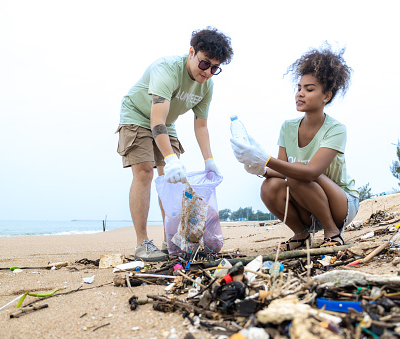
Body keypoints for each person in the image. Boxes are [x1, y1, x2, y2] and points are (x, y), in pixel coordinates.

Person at [116, 27, 233, 261]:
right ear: (191, 52)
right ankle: (142, 244)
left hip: (166, 123)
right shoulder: (166, 69)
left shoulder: (207, 85)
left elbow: (200, 126)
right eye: (204, 63)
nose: (208, 72)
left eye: (215, 68)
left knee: (171, 180)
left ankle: (170, 239)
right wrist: (170, 159)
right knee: (146, 172)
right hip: (137, 115)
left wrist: (209, 160)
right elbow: (155, 119)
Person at [231, 42, 359, 251]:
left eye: (309, 89)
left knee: (299, 174)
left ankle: (332, 232)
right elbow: (281, 169)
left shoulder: (336, 129)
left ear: (326, 96)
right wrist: (260, 168)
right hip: (308, 201)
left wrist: (266, 159)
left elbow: (311, 172)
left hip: (341, 203)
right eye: (298, 88)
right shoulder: (288, 127)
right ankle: (301, 235)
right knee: (270, 186)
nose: (300, 93)